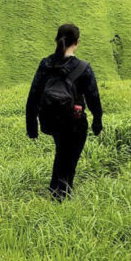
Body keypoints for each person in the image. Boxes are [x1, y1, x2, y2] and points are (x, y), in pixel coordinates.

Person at [25, 23, 102, 200]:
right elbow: (93, 98)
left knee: (61, 152)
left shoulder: (46, 64)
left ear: (57, 39)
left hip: (50, 120)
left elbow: (34, 95)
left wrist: (32, 127)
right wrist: (97, 122)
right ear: (77, 42)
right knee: (69, 159)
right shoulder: (83, 68)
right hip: (74, 122)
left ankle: (55, 190)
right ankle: (61, 196)